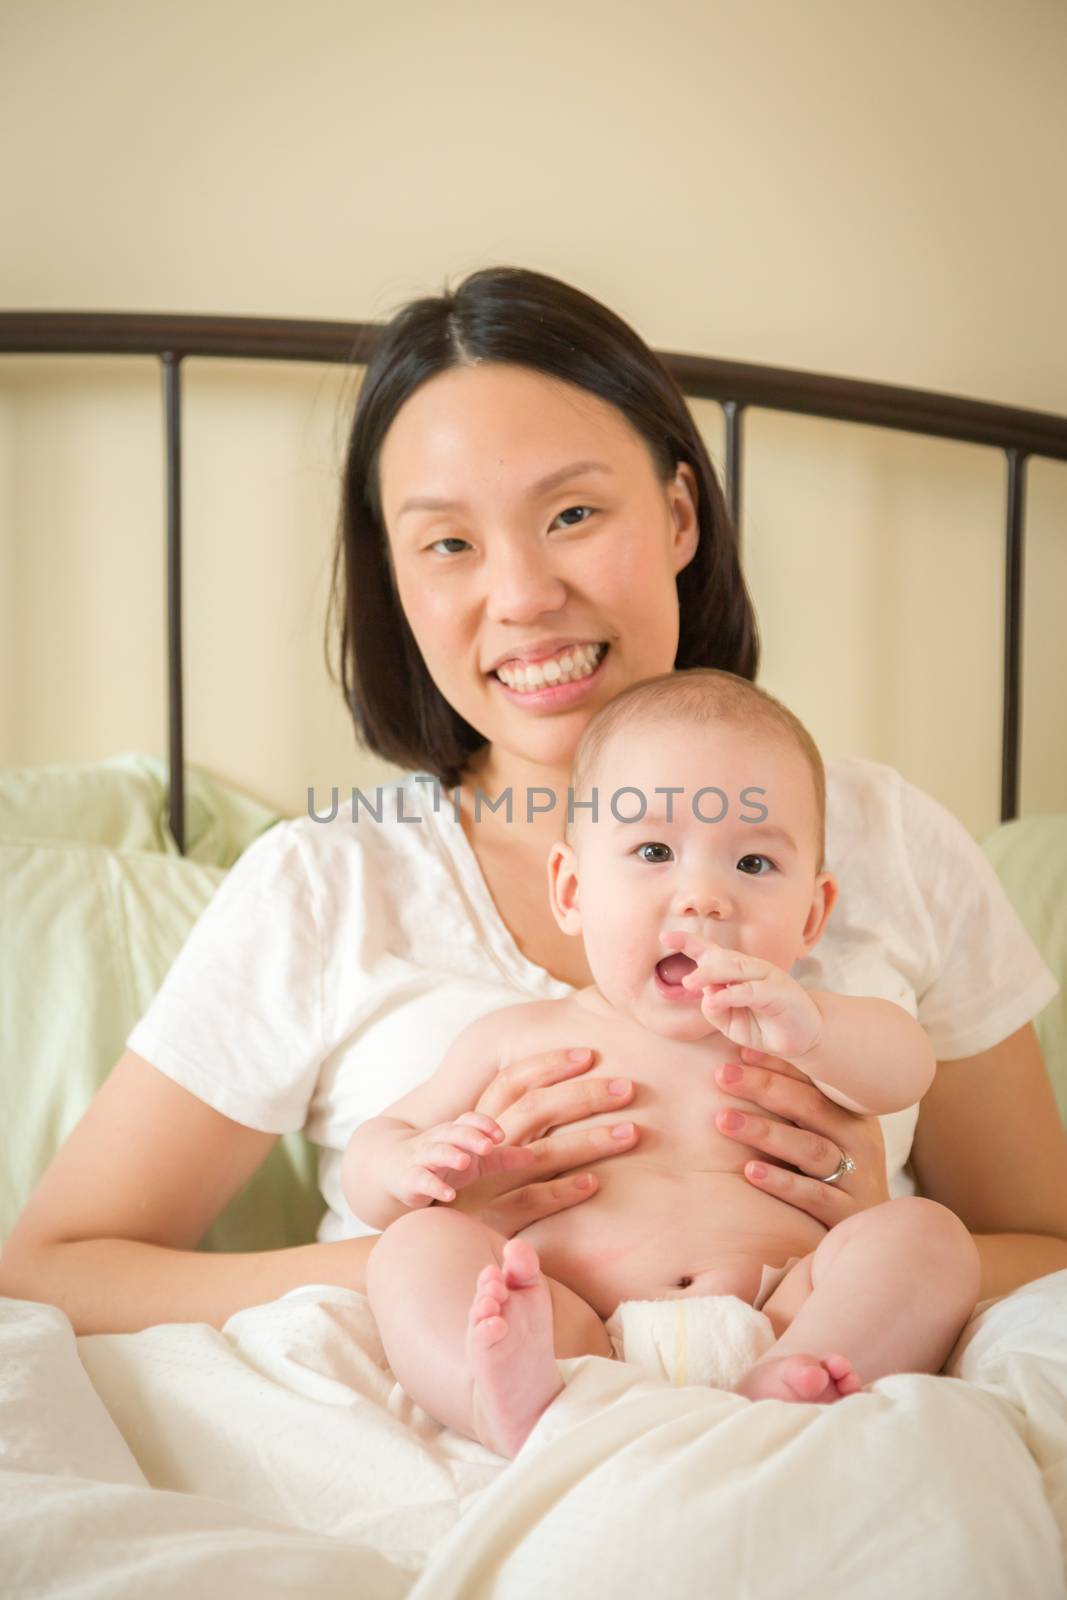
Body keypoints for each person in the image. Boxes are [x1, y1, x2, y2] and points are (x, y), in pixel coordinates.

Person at [1, 265, 1064, 1351]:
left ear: (679, 515)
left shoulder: (886, 838)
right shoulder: (329, 880)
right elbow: (52, 1271)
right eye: (447, 543)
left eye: (570, 513)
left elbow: (1045, 1247)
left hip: (802, 1401)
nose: (519, 596)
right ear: (398, 580)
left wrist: (870, 1235)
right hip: (440, 1445)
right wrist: (441, 1257)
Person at [348, 669, 981, 1457]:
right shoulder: (517, 1036)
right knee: (414, 1248)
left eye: (752, 865)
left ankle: (797, 1383)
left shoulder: (806, 1030)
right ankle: (504, 1397)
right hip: (571, 1329)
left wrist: (812, 1027)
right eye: (653, 850)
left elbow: (905, 1069)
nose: (702, 898)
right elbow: (377, 1152)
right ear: (572, 889)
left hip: (781, 1313)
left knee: (928, 1235)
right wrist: (407, 1162)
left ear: (812, 914)